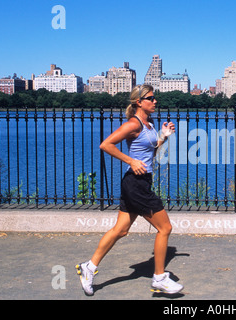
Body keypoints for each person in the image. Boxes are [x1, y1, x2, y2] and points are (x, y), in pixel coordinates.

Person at [76, 84, 183, 296]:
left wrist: (164, 136)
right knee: (165, 228)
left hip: (138, 182)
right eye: (151, 98)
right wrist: (130, 160)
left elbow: (150, 152)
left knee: (121, 230)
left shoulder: (149, 124)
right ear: (138, 102)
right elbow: (106, 144)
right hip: (135, 183)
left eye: (154, 98)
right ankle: (160, 277)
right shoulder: (133, 124)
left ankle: (89, 267)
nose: (155, 101)